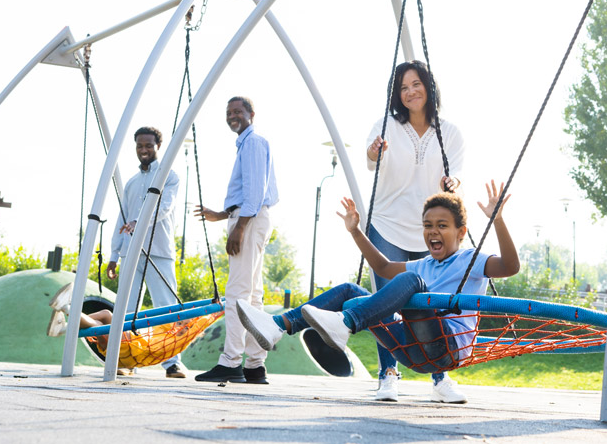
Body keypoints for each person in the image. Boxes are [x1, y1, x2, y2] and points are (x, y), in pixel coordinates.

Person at [236, 182, 517, 404]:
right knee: (350, 290)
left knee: (412, 282)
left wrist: (499, 220)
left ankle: (346, 323)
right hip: (411, 348)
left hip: (446, 348)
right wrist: (355, 230)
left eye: (442, 226)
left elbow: (510, 266)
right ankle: (278, 325)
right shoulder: (425, 264)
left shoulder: (472, 259)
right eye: (428, 226)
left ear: (461, 232)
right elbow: (382, 266)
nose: (433, 232)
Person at [365, 60, 465, 401]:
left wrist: (453, 183)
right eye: (404, 87)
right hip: (388, 225)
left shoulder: (449, 132)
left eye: (416, 84)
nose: (410, 92)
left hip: (429, 231)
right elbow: (370, 157)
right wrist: (374, 151)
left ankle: (440, 379)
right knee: (385, 304)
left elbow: (456, 175)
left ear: (429, 86)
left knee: (431, 306)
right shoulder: (386, 126)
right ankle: (388, 374)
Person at [193, 96, 278, 385]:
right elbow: (250, 192)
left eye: (238, 111)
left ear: (251, 114)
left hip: (249, 219)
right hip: (251, 216)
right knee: (253, 296)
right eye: (229, 112)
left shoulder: (253, 143)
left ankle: (230, 362)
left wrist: (239, 227)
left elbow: (255, 190)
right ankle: (255, 365)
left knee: (237, 293)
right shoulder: (248, 144)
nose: (233, 116)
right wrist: (220, 215)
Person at [106, 126, 187, 379]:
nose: (144, 150)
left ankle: (172, 363)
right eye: (140, 146)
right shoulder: (131, 182)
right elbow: (122, 217)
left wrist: (138, 223)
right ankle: (126, 359)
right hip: (131, 252)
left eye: (148, 146)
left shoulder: (169, 176)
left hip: (159, 252)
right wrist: (113, 255)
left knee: (165, 307)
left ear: (157, 147)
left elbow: (163, 207)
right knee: (126, 309)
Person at [45, 284, 221, 376]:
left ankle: (67, 309)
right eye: (182, 322)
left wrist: (217, 309)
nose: (181, 325)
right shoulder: (170, 334)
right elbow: (177, 319)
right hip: (124, 353)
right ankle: (64, 328)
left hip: (129, 347)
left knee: (107, 314)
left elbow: (198, 322)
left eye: (184, 324)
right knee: (99, 327)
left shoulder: (174, 338)